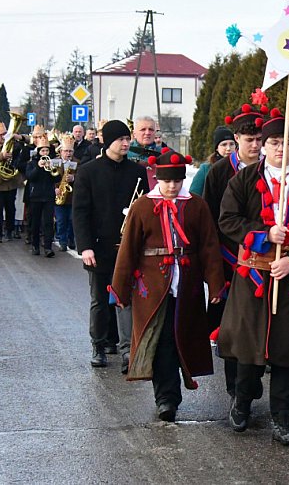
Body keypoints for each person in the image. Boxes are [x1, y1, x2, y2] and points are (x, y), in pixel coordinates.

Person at [219, 109, 289, 447]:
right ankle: (242, 400)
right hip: (253, 273)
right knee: (249, 346)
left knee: (287, 350)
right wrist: (265, 233)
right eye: (273, 142)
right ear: (263, 146)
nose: (280, 148)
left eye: (287, 142)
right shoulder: (243, 179)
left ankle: (284, 419)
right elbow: (228, 219)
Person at [110, 148, 225, 422]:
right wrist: (120, 288)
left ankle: (176, 390)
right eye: (167, 181)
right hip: (152, 287)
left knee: (179, 338)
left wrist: (216, 284)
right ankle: (166, 399)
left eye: (177, 181)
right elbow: (128, 250)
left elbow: (209, 246)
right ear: (157, 179)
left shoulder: (196, 205)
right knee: (160, 341)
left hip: (187, 286)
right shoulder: (142, 207)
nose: (172, 186)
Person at [73, 120, 150, 371]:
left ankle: (128, 349)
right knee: (98, 298)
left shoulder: (137, 172)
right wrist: (85, 247)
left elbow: (144, 210)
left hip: (127, 246)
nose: (126, 143)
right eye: (120, 139)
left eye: (128, 139)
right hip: (98, 245)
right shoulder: (88, 171)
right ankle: (99, 344)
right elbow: (80, 212)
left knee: (125, 298)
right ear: (108, 141)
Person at [201, 102, 266, 398]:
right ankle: (235, 391)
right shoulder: (218, 172)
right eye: (249, 139)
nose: (255, 145)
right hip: (230, 260)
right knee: (233, 327)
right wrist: (213, 264)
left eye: (259, 139)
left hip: (266, 259)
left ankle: (254, 379)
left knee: (263, 323)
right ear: (236, 139)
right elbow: (210, 220)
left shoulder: (273, 170)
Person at [24, 135, 59, 257]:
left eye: (47, 150)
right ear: (38, 152)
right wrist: (39, 167)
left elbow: (57, 177)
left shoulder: (53, 162)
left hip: (48, 196)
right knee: (35, 222)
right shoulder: (32, 163)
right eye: (42, 150)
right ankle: (35, 245)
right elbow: (30, 177)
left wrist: (53, 169)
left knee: (48, 222)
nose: (45, 153)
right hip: (35, 196)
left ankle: (48, 247)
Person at [0, 122, 22, 243]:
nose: (2, 137)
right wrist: (1, 156)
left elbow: (27, 142)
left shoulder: (13, 144)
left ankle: (9, 230)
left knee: (11, 208)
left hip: (10, 182)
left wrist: (19, 137)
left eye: (4, 134)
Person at [189, 126, 235, 197]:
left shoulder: (240, 166)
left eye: (231, 144)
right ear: (217, 148)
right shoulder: (206, 168)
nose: (228, 148)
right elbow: (194, 195)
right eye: (224, 144)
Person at [54, 134, 77, 251]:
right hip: (59, 196)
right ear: (61, 151)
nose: (68, 153)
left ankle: (71, 239)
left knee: (72, 220)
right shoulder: (55, 162)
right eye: (66, 151)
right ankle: (62, 241)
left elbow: (83, 178)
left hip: (72, 197)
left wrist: (74, 178)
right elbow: (49, 177)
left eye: (70, 151)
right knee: (61, 220)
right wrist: (55, 188)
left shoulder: (78, 162)